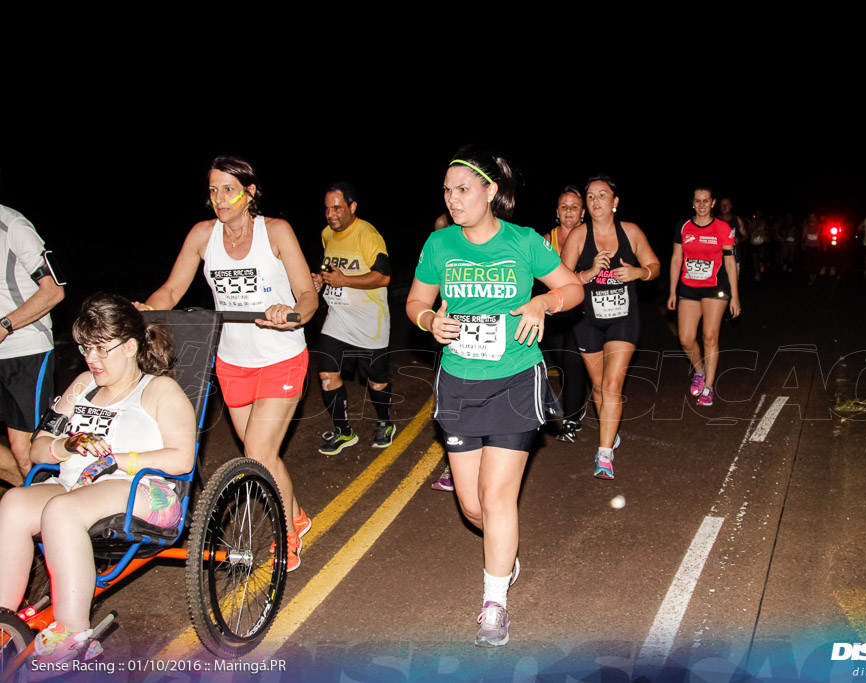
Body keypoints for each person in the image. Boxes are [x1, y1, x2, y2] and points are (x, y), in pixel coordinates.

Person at [406, 146, 582, 647]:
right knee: (472, 506)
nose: (453, 198)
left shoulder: (525, 242)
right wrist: (429, 320)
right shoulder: (439, 245)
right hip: (460, 380)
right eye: (447, 190)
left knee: (499, 496)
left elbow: (572, 289)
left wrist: (542, 302)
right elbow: (416, 300)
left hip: (514, 377)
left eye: (463, 189)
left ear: (490, 191)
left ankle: (494, 602)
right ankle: (504, 559)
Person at [138, 155, 317, 572]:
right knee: (263, 456)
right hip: (232, 362)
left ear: (250, 192)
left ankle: (286, 535)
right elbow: (171, 289)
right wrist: (145, 308)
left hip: (281, 356)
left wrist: (290, 313)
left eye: (229, 189)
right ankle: (298, 515)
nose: (220, 198)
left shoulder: (276, 232)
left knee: (257, 451)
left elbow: (308, 295)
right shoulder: (203, 236)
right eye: (214, 190)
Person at [0, 293, 195, 671]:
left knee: (61, 510)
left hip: (145, 491)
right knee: (12, 504)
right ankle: (4, 619)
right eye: (86, 348)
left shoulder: (158, 391)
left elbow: (182, 458)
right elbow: (39, 448)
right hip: (77, 488)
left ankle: (74, 633)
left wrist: (117, 460)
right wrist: (65, 445)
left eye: (102, 349)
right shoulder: (82, 387)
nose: (91, 358)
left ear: (130, 346)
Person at [561, 175, 660, 479]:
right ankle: (610, 429)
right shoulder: (579, 236)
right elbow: (561, 279)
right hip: (587, 321)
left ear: (615, 202)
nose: (595, 201)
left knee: (612, 385)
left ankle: (604, 455)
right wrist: (588, 272)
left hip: (623, 318)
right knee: (599, 384)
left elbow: (655, 267)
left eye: (602, 195)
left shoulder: (630, 232)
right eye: (590, 197)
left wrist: (637, 272)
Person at [311, 182, 397, 453]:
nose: (331, 214)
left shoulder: (368, 235)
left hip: (370, 321)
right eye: (327, 209)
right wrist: (321, 280)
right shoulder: (327, 234)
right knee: (326, 374)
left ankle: (385, 422)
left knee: (376, 380)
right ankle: (343, 431)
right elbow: (330, 268)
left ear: (352, 207)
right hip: (338, 318)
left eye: (337, 208)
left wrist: (344, 280)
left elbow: (383, 276)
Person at [0, 205, 65, 487]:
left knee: (27, 452)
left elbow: (54, 291)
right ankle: (32, 505)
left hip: (24, 350)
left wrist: (5, 325)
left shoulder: (13, 226)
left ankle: (51, 513)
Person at [667, 186, 741, 407]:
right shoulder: (684, 226)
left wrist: (735, 296)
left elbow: (730, 261)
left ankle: (708, 387)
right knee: (686, 339)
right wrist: (672, 290)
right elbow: (676, 259)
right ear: (693, 203)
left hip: (715, 288)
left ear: (712, 203)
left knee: (710, 337)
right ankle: (699, 370)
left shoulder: (722, 228)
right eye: (697, 201)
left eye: (705, 201)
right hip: (689, 288)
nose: (701, 205)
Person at [542, 186, 589, 442]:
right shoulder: (546, 240)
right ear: (557, 213)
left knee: (572, 361)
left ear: (582, 212)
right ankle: (573, 403)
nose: (568, 211)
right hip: (552, 313)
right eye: (564, 206)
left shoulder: (591, 237)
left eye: (574, 206)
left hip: (582, 312)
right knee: (560, 362)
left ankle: (572, 418)